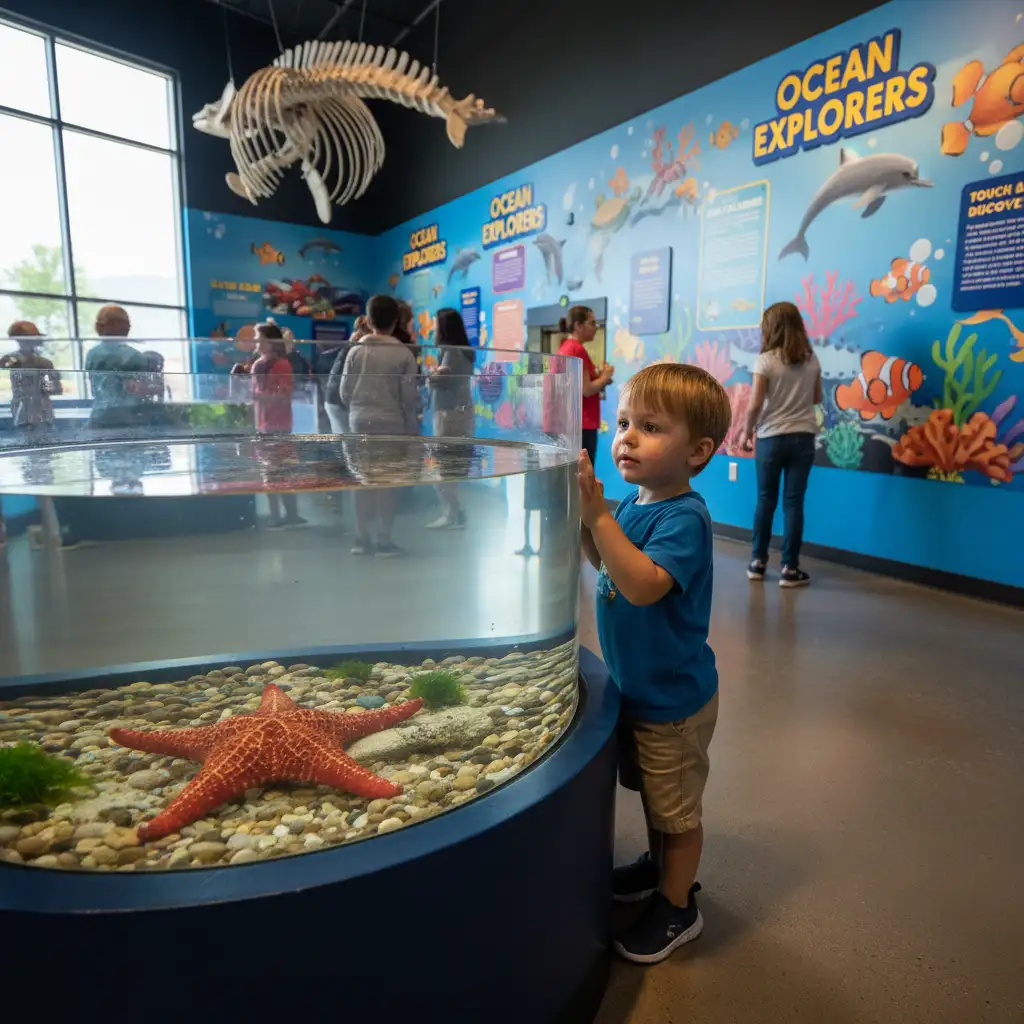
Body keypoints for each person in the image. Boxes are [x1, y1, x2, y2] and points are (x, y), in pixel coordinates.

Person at [578, 362, 731, 965]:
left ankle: (678, 905)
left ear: (697, 452)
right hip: (638, 692)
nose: (627, 438)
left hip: (673, 704)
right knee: (654, 798)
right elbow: (608, 563)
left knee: (678, 812)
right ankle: (657, 865)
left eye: (650, 427)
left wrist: (599, 519)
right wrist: (588, 522)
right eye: (623, 423)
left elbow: (642, 585)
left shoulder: (683, 517)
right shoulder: (634, 505)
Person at [737, 301, 822, 588]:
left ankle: (757, 563)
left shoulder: (765, 361)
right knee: (793, 503)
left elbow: (755, 404)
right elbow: (817, 398)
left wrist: (746, 433)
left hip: (770, 438)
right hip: (803, 437)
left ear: (770, 328)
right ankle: (790, 568)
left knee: (765, 500)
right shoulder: (811, 359)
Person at [340, 295, 420, 556]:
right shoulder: (404, 354)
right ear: (396, 320)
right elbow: (409, 397)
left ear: (369, 320)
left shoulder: (355, 351)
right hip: (391, 423)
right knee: (388, 481)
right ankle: (384, 539)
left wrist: (358, 408)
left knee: (361, 479)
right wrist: (411, 426)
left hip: (359, 421)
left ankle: (361, 538)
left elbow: (344, 392)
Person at [251, 321, 306, 529]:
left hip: (279, 425)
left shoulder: (282, 365)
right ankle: (278, 514)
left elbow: (283, 395)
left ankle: (288, 514)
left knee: (280, 471)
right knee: (271, 471)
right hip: (263, 425)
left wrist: (258, 397)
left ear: (271, 342)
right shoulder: (258, 365)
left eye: (260, 339)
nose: (256, 343)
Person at [426, 308, 475, 529]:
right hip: (462, 412)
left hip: (449, 413)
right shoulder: (463, 351)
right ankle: (454, 513)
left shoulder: (451, 351)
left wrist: (430, 374)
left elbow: (440, 379)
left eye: (436, 324)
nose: (434, 328)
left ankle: (454, 513)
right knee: (453, 465)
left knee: (443, 467)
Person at [557, 306, 614, 465]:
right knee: (583, 473)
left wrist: (599, 376)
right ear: (578, 325)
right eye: (592, 323)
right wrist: (606, 375)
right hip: (582, 423)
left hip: (571, 423)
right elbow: (586, 390)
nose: (596, 327)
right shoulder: (577, 350)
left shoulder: (565, 347)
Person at [84, 305, 148, 428]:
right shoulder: (134, 356)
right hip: (128, 419)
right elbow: (140, 392)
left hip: (99, 416)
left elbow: (93, 389)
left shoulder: (92, 354)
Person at [0, 321, 61, 432]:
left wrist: (48, 384)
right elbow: (4, 363)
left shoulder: (44, 362)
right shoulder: (12, 359)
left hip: (43, 412)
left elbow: (55, 389)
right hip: (24, 413)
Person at [323, 316, 370, 434]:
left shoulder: (353, 342)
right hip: (338, 401)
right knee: (348, 440)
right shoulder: (357, 344)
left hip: (333, 399)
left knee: (345, 439)